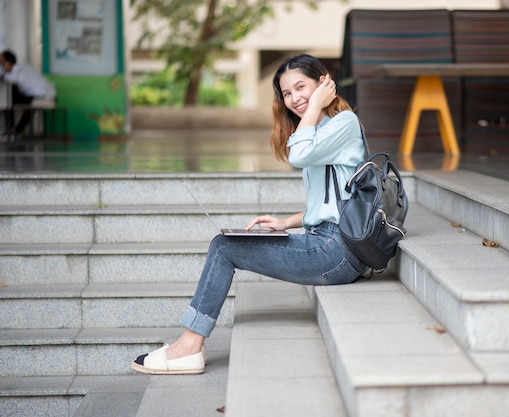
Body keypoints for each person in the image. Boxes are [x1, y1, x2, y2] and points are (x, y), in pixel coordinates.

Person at [131, 54, 367, 375]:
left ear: (323, 81)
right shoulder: (318, 128)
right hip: (327, 243)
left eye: (302, 87)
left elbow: (299, 155)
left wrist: (314, 107)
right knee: (226, 243)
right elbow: (334, 201)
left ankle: (189, 345)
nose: (295, 99)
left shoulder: (344, 123)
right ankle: (185, 345)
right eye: (287, 93)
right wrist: (286, 222)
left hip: (337, 251)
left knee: (224, 247)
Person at [0, 49, 56, 136]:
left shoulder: (16, 73)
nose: (2, 66)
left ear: (8, 63)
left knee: (8, 101)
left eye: (2, 64)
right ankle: (16, 129)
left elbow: (8, 78)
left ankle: (12, 129)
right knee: (14, 101)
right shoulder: (24, 66)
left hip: (42, 96)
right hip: (46, 94)